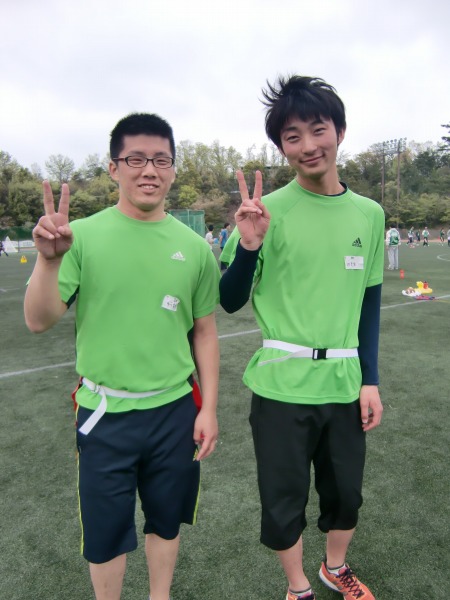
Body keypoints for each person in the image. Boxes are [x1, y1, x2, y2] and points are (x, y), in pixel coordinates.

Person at [24, 113, 220, 600]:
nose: (149, 170)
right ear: (113, 168)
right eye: (135, 159)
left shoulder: (195, 248)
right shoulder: (82, 236)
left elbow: (204, 331)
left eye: (161, 160)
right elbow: (38, 319)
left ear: (173, 169)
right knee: (106, 532)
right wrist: (48, 260)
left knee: (166, 520)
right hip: (104, 413)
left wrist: (209, 409)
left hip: (175, 410)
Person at [220, 75, 384, 600]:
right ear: (281, 147)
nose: (309, 145)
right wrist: (249, 247)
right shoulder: (266, 212)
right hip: (282, 387)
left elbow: (369, 304)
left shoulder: (369, 214)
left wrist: (371, 380)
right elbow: (229, 299)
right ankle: (298, 588)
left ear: (340, 131)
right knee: (282, 497)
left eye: (318, 129)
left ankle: (335, 568)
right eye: (293, 137)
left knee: (346, 494)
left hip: (344, 383)